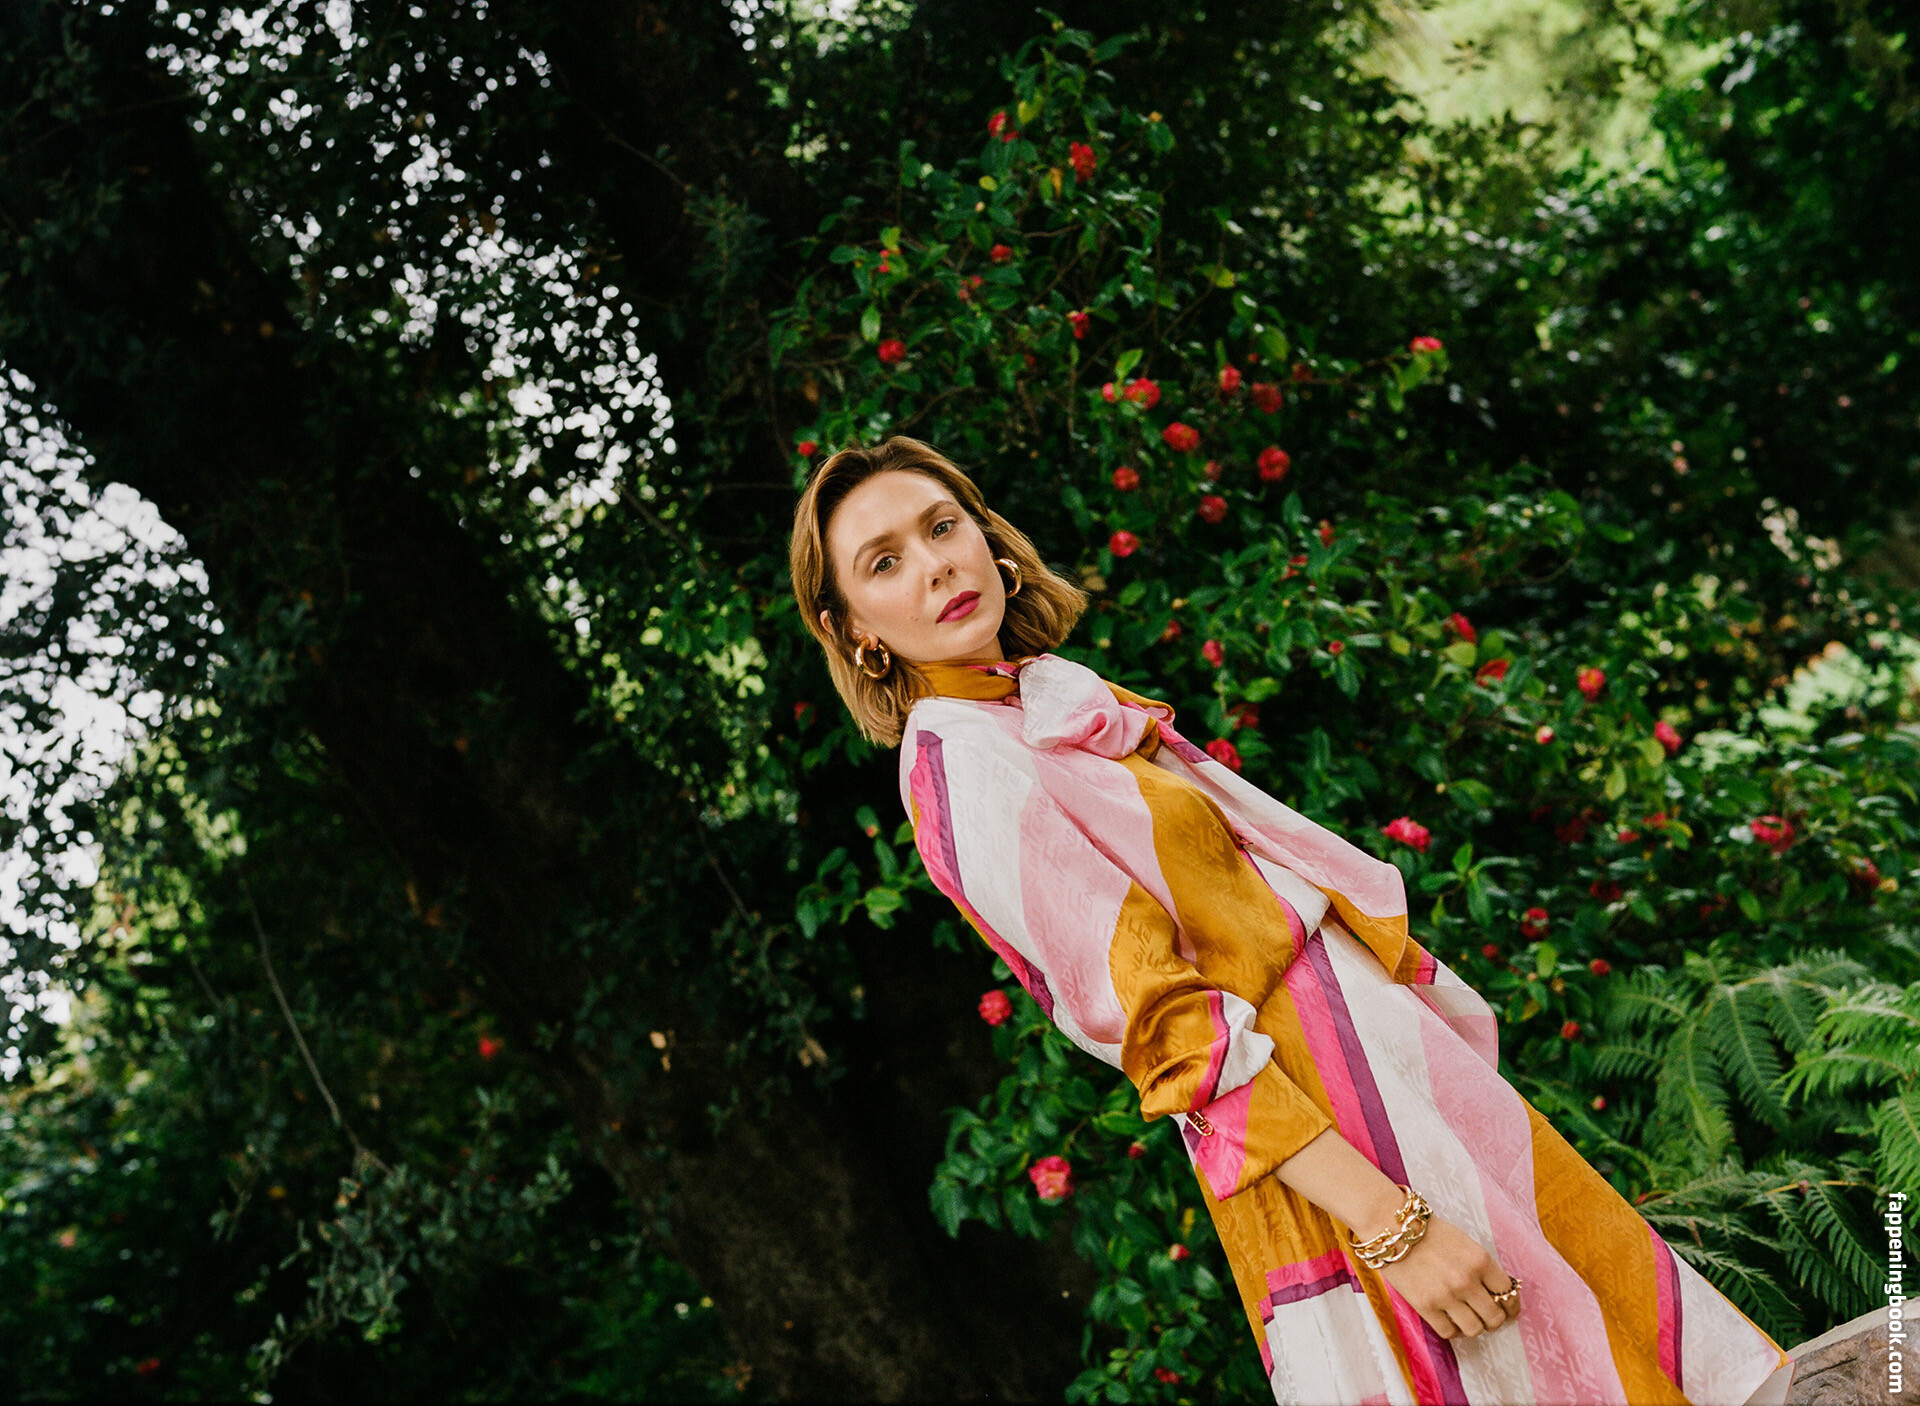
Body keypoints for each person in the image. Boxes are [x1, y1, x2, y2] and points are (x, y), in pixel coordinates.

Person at [789, 435, 1797, 1406]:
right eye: (885, 561)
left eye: (942, 525)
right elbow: (1167, 1030)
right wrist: (1395, 1226)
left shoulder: (1034, 705)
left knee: (1603, 1345)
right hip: (1319, 1119)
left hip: (1383, 1071)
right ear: (852, 628)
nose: (935, 564)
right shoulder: (960, 758)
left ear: (986, 534)